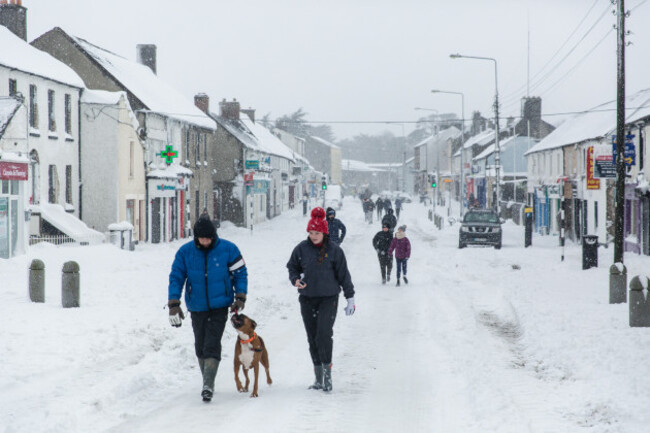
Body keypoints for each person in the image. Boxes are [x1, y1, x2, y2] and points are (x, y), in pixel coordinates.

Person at [167, 216, 248, 402]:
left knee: (212, 343)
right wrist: (173, 303)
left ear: (214, 236)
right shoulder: (185, 253)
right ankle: (207, 378)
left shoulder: (228, 249)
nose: (205, 242)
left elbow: (240, 273)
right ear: (196, 238)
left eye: (208, 238)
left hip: (220, 306)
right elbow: (176, 277)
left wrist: (240, 296)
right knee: (200, 344)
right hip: (196, 306)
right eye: (202, 239)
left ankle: (208, 385)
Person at [286, 207, 355, 392]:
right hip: (307, 299)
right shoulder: (301, 249)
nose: (313, 236)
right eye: (310, 232)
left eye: (317, 232)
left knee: (323, 335)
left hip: (328, 299)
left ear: (324, 232)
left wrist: (350, 297)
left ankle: (327, 376)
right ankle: (318, 378)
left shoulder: (334, 251)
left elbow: (344, 275)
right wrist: (295, 279)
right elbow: (292, 267)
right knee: (312, 338)